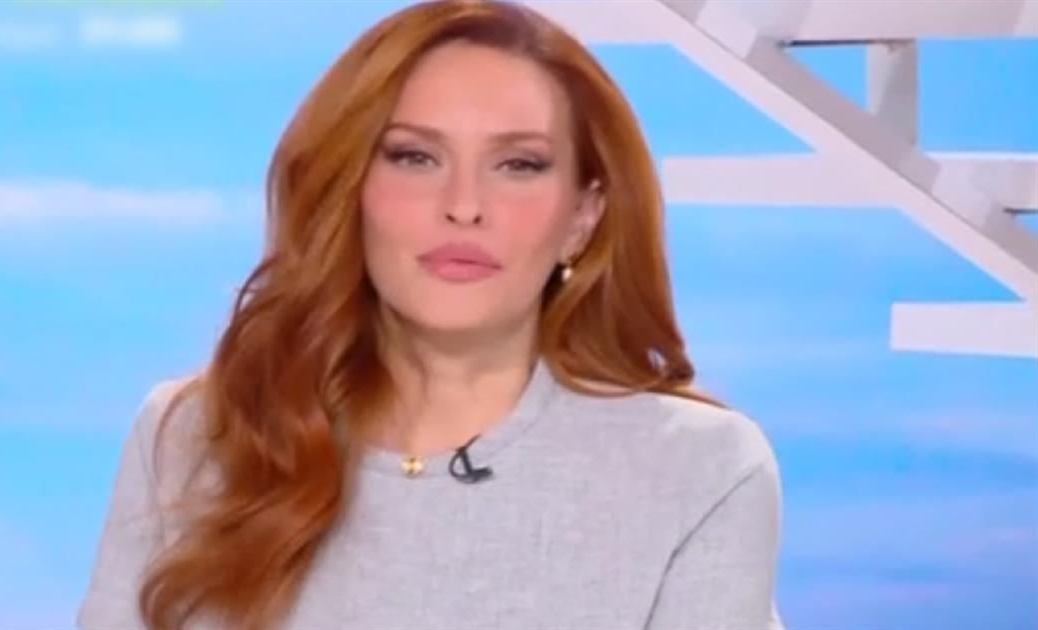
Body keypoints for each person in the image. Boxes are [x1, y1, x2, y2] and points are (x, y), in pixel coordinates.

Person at [77, 1, 785, 629]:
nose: (464, 206)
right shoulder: (193, 439)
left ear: (582, 216)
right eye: (415, 157)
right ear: (347, 190)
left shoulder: (696, 470)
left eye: (519, 165)